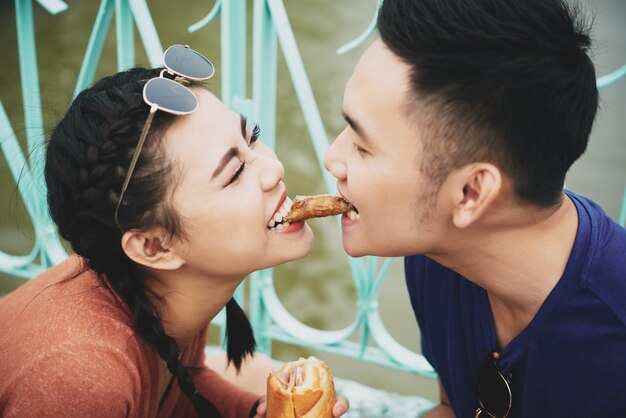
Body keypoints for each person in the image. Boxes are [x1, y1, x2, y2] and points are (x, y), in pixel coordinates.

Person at [0, 45, 349, 418]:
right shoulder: (80, 379)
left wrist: (254, 411)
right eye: (233, 174)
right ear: (153, 246)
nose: (272, 168)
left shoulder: (159, 290)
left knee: (257, 372)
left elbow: (177, 381)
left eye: (251, 137)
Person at [323, 0, 626, 417]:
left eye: (361, 146)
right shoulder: (437, 252)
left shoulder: (614, 346)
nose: (331, 158)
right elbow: (454, 409)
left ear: (470, 193)